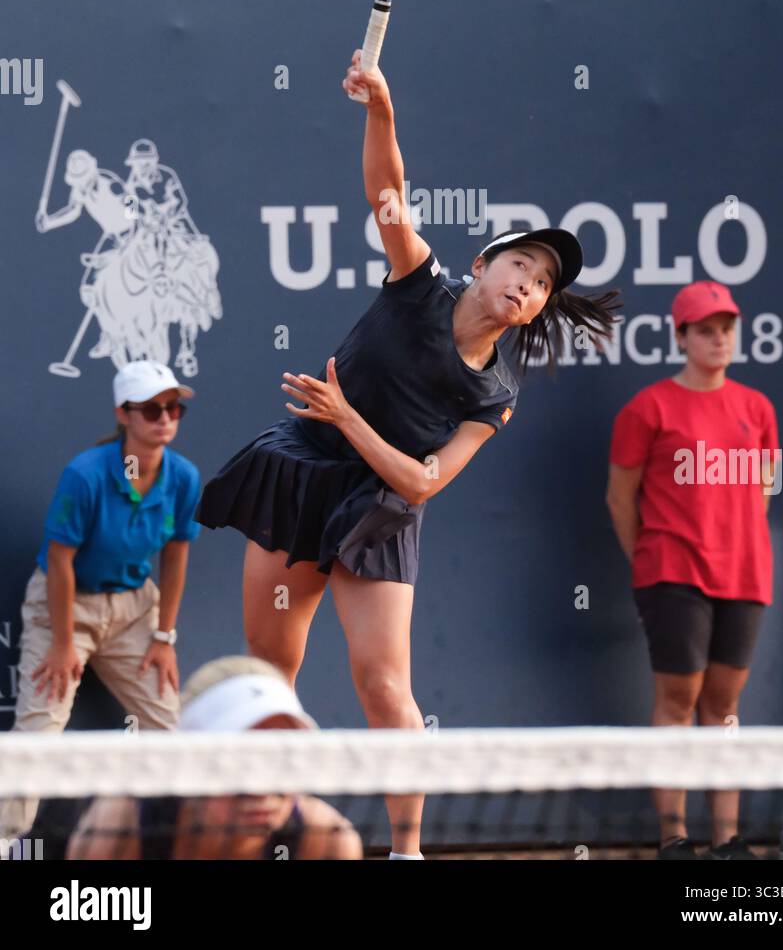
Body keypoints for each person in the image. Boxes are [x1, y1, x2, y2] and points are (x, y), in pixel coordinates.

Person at [197, 51, 620, 860]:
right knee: (269, 675)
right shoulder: (415, 281)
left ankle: (409, 852)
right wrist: (380, 107)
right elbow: (386, 192)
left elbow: (422, 480)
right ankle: (284, 832)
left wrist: (351, 418)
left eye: (539, 287)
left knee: (385, 686)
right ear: (481, 265)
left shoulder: (493, 394)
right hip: (301, 471)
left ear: (532, 315)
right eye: (520, 265)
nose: (527, 285)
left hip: (380, 508)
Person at [606, 282, 780, 861]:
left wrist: (739, 539)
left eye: (726, 328)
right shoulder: (647, 408)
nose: (719, 339)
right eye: (706, 330)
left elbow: (764, 490)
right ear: (680, 336)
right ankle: (674, 839)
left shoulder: (759, 408)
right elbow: (619, 497)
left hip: (746, 574)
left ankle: (728, 841)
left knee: (725, 706)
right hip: (672, 572)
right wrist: (649, 565)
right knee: (678, 698)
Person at [0, 360, 201, 844]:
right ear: (124, 414)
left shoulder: (184, 477)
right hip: (63, 610)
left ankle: (174, 840)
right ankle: (5, 841)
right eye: (152, 409)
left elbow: (176, 556)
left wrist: (162, 636)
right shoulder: (85, 475)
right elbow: (60, 560)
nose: (165, 419)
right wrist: (64, 643)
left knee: (172, 729)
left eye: (173, 408)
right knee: (37, 734)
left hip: (136, 612)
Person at [67, 656, 362, 860]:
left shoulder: (328, 843)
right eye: (237, 762)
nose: (261, 790)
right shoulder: (119, 828)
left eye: (279, 757)